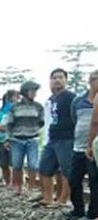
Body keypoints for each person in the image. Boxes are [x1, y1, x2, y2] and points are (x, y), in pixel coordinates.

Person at [39, 69, 76, 207]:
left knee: (66, 170)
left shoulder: (70, 97)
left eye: (60, 77)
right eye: (54, 77)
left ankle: (62, 200)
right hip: (52, 138)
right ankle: (48, 197)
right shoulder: (51, 99)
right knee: (44, 168)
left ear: (66, 80)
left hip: (66, 138)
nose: (57, 80)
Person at [68, 70, 98, 220]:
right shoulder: (78, 101)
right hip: (78, 147)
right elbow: (74, 119)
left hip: (94, 149)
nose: (95, 82)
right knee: (74, 179)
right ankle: (77, 210)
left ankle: (92, 214)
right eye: (93, 79)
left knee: (94, 181)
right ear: (89, 81)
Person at [7, 81, 45, 194]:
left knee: (33, 165)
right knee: (17, 165)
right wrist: (8, 139)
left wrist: (33, 129)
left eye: (35, 91)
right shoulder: (15, 107)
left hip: (32, 139)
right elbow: (9, 124)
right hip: (17, 140)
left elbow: (42, 121)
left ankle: (30, 187)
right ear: (25, 92)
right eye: (32, 90)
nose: (34, 93)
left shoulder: (38, 107)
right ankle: (17, 187)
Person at [0, 90, 21, 186]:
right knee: (4, 164)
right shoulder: (2, 111)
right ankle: (8, 182)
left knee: (15, 164)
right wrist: (3, 128)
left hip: (15, 141)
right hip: (2, 140)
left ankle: (16, 184)